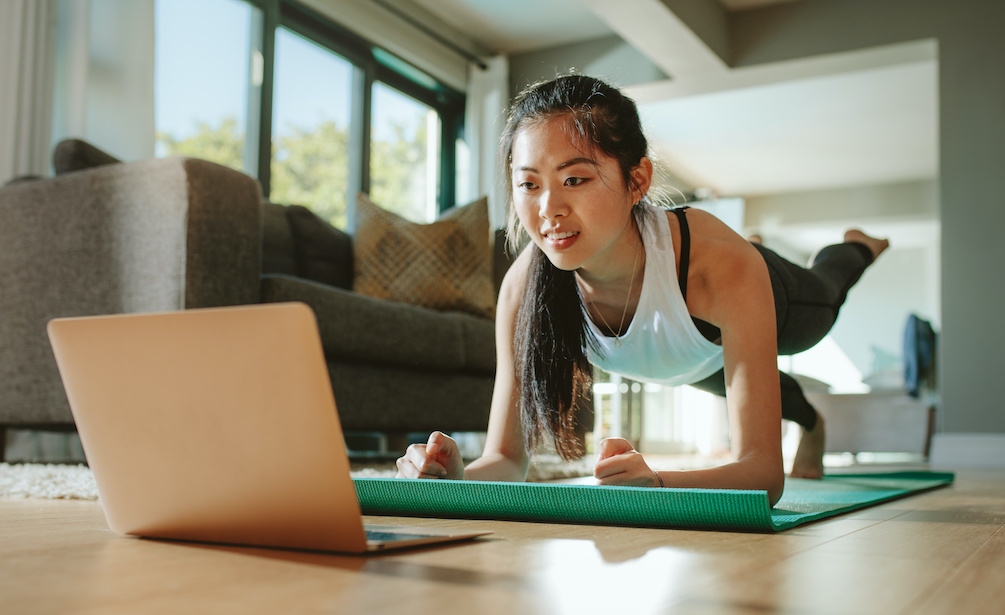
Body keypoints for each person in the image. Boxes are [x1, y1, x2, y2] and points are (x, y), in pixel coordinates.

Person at [395, 75, 888, 505]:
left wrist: (657, 482)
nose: (549, 209)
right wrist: (453, 477)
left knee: (826, 295)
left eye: (575, 178)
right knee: (764, 391)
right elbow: (505, 461)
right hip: (686, 356)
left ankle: (855, 247)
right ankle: (812, 421)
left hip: (769, 297)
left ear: (637, 180)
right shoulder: (523, 288)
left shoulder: (719, 266)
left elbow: (762, 474)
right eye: (529, 184)